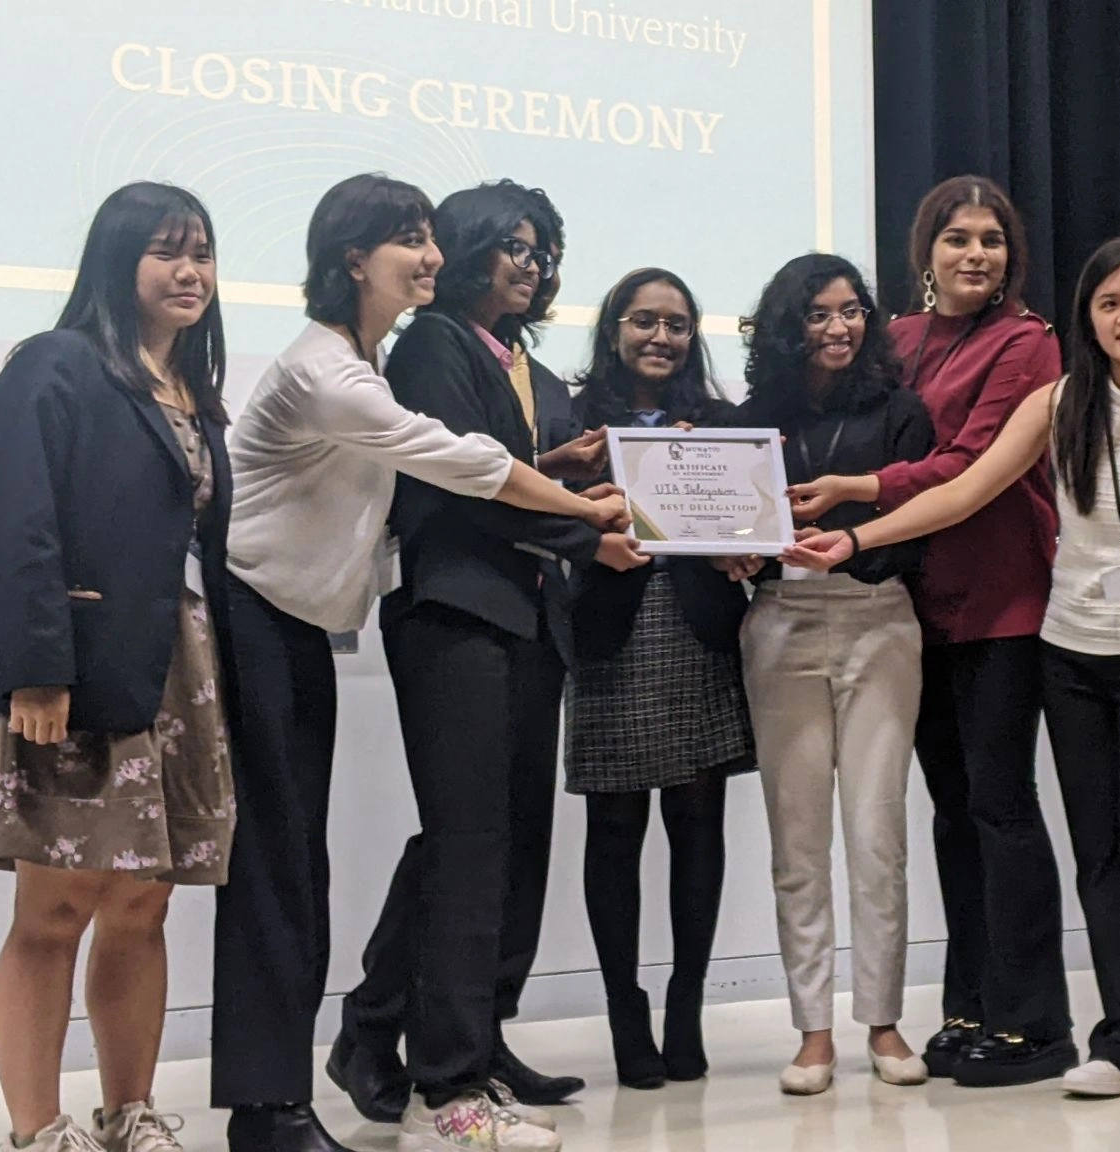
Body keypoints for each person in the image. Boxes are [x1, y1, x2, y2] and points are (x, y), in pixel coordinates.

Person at [205, 174, 628, 1152]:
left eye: (432, 237)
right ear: (354, 256)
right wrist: (582, 514)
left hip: (303, 627)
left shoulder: (372, 354)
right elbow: (458, 462)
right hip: (270, 622)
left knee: (401, 857)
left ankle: (349, 1074)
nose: (429, 256)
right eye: (410, 239)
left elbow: (436, 465)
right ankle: (417, 1092)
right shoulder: (340, 369)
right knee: (315, 869)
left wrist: (561, 480)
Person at [786, 233, 1120, 1098]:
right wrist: (854, 535)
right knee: (1097, 853)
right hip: (1071, 648)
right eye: (1109, 303)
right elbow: (961, 491)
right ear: (1090, 319)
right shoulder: (1058, 403)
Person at [330, 180, 646, 1151]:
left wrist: (567, 463)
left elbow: (515, 466)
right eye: (511, 245)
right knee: (467, 844)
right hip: (453, 614)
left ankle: (440, 1034)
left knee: (502, 849)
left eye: (540, 248)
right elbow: (467, 481)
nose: (530, 263)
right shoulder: (430, 343)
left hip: (525, 619)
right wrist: (586, 529)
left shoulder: (524, 368)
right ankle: (448, 1081)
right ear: (465, 249)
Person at [0, 182, 233, 1152]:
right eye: (165, 252)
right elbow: (23, 527)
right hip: (74, 666)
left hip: (176, 667)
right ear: (117, 262)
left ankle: (128, 1110)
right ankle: (37, 1126)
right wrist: (37, 672)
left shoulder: (196, 388)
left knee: (144, 901)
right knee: (54, 902)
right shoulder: (55, 365)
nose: (189, 272)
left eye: (202, 253)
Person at [785, 175, 1073, 1086]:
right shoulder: (897, 341)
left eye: (991, 238)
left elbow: (964, 465)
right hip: (915, 609)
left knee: (1000, 805)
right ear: (926, 252)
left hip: (1001, 604)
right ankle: (969, 1006)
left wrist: (856, 499)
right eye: (956, 238)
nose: (974, 254)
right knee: (954, 814)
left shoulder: (1029, 344)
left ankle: (1036, 1022)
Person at [734, 253, 935, 1096]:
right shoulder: (751, 420)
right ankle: (812, 1030)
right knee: (797, 838)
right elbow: (723, 523)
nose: (840, 327)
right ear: (789, 325)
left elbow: (921, 527)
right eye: (819, 313)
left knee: (877, 832)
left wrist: (856, 542)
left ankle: (882, 1021)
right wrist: (730, 553)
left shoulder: (901, 412)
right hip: (779, 623)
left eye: (852, 310)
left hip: (879, 622)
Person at [562, 267, 755, 1091]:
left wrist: (744, 542)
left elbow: (753, 529)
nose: (660, 337)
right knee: (612, 836)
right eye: (644, 321)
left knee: (698, 828)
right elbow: (538, 525)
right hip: (609, 637)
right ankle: (623, 1015)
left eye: (677, 325)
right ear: (613, 330)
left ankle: (686, 1006)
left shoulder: (723, 424)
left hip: (699, 633)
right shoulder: (572, 424)